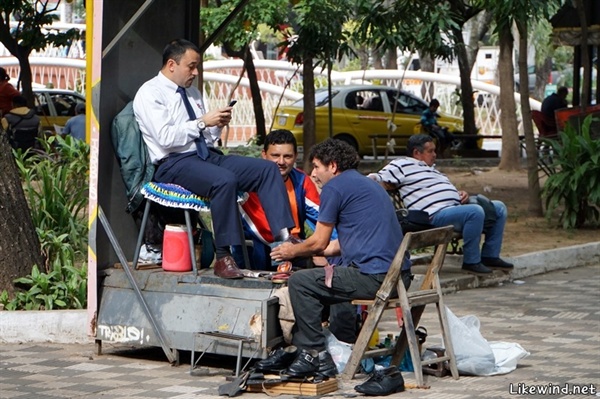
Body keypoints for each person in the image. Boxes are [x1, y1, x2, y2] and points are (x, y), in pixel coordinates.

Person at [133, 39, 295, 279]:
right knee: (224, 180)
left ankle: (284, 242)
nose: (195, 72)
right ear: (171, 64)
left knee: (267, 170)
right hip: (173, 163)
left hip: (205, 156)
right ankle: (223, 256)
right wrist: (201, 122)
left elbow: (206, 136)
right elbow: (165, 138)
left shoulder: (193, 92)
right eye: (191, 66)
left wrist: (217, 124)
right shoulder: (150, 93)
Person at [260, 138, 409, 378]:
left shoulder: (335, 188)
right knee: (322, 277)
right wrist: (317, 250)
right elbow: (339, 243)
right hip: (399, 277)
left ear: (333, 166)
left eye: (317, 166)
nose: (313, 173)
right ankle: (309, 350)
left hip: (378, 279)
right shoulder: (367, 184)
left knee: (300, 282)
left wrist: (292, 250)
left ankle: (314, 354)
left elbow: (318, 240)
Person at [368, 134, 513, 275]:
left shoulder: (434, 171)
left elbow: (442, 191)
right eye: (430, 151)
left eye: (434, 150)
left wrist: (460, 194)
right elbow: (377, 177)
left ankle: (490, 256)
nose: (434, 154)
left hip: (454, 209)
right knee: (474, 211)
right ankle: (471, 261)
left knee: (499, 207)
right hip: (433, 215)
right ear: (416, 153)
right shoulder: (403, 164)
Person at [232, 129, 336, 270]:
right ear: (264, 155)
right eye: (275, 155)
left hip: (294, 252)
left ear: (295, 157)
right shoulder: (246, 181)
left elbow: (323, 219)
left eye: (287, 156)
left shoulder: (301, 180)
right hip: (254, 253)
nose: (281, 162)